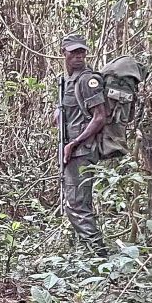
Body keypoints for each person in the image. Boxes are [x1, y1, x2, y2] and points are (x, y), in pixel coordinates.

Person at [57, 34, 109, 254]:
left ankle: (98, 254)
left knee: (77, 205)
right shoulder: (66, 81)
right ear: (64, 53)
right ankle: (88, 252)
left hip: (82, 150)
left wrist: (75, 143)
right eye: (73, 52)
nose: (78, 56)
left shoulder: (89, 80)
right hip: (71, 149)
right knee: (77, 203)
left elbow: (100, 117)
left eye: (82, 52)